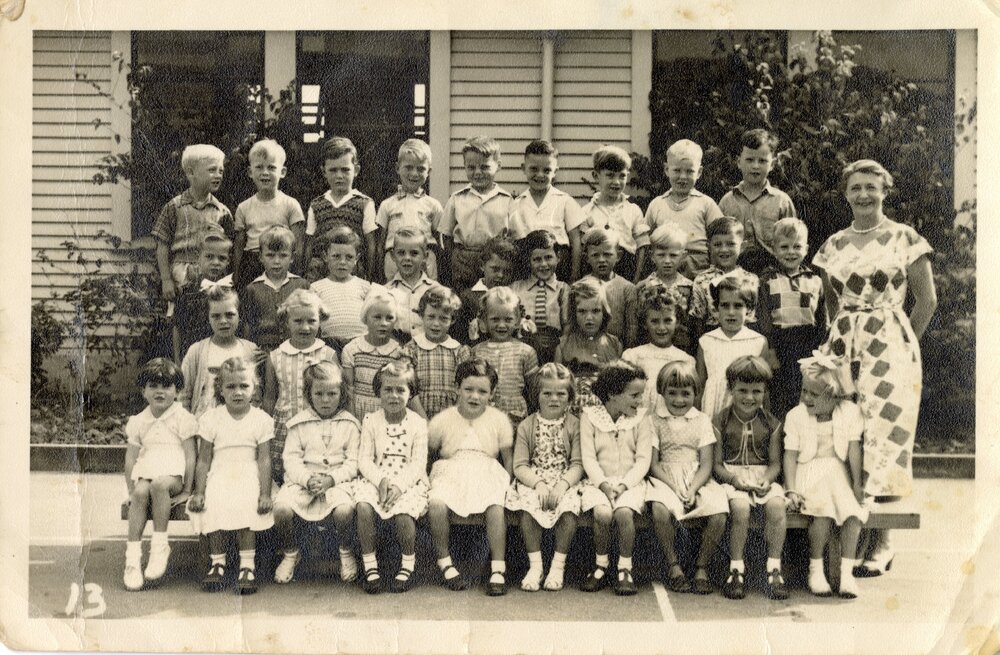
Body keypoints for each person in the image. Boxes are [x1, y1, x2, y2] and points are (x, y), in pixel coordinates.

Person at [812, 159, 937, 577]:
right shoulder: (833, 244)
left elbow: (927, 301)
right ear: (846, 194)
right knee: (845, 428)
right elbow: (830, 301)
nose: (863, 195)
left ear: (885, 190)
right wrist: (835, 342)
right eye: (855, 188)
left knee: (886, 437)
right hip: (844, 342)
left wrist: (902, 346)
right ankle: (847, 531)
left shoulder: (906, 238)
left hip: (890, 344)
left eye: (871, 187)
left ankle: (882, 542)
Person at [783, 352, 868, 599]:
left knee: (852, 514)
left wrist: (857, 483)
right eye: (804, 391)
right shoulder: (796, 415)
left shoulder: (850, 412)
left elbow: (854, 450)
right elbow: (790, 455)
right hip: (809, 471)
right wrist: (791, 489)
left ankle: (847, 574)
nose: (806, 398)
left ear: (833, 396)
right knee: (821, 513)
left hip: (838, 472)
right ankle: (816, 569)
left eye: (813, 393)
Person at [427, 359, 514, 595]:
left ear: (491, 394)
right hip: (452, 469)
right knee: (436, 504)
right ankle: (445, 563)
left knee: (495, 505)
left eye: (482, 391)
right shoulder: (443, 419)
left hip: (486, 468)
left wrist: (509, 483)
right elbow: (430, 452)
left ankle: (498, 568)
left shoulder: (498, 420)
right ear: (457, 388)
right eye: (468, 389)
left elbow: (508, 458)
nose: (474, 396)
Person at [187, 357, 274, 594]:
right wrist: (198, 491)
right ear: (220, 390)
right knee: (213, 502)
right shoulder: (211, 418)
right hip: (220, 471)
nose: (238, 392)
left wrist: (265, 493)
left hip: (249, 471)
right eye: (231, 387)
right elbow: (204, 458)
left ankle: (247, 565)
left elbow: (264, 459)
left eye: (244, 386)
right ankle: (218, 562)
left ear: (254, 388)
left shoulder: (261, 419)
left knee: (248, 500)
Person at [271, 361, 360, 586]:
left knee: (343, 510)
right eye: (319, 394)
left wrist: (332, 479)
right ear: (309, 395)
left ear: (342, 393)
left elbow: (353, 462)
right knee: (281, 509)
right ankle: (291, 553)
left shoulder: (350, 424)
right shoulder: (298, 424)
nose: (326, 399)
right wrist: (307, 479)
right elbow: (290, 460)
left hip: (337, 482)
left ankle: (345, 551)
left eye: (332, 393)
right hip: (304, 482)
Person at [645, 361, 728, 595]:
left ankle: (701, 567)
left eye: (686, 393)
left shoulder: (701, 420)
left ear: (696, 393)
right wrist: (672, 487)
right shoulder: (654, 420)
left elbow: (707, 463)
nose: (679, 400)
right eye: (672, 393)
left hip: (696, 478)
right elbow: (653, 464)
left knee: (719, 510)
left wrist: (692, 489)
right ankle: (674, 567)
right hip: (665, 476)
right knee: (660, 509)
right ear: (662, 392)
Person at [712, 355, 788, 601]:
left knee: (777, 506)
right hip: (731, 476)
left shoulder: (772, 423)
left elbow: (775, 463)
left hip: (761, 475)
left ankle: (774, 568)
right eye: (742, 390)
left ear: (765, 391)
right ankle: (736, 569)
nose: (749, 397)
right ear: (730, 389)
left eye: (756, 391)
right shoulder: (720, 420)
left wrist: (767, 479)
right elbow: (716, 465)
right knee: (741, 508)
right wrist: (734, 480)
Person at [122, 358, 198, 591]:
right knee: (142, 490)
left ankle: (160, 545)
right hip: (147, 472)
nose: (160, 391)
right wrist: (131, 491)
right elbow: (131, 459)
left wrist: (187, 489)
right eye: (153, 386)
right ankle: (133, 558)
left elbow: (190, 455)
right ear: (143, 391)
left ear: (176, 391)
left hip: (173, 476)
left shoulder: (182, 418)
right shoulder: (138, 421)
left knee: (157, 486)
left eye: (166, 386)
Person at [506, 363, 583, 591]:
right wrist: (538, 484)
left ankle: (558, 566)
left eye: (561, 394)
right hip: (534, 478)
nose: (554, 399)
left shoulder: (575, 425)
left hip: (565, 478)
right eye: (547, 393)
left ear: (569, 397)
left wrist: (562, 485)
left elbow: (578, 464)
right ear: (536, 395)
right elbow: (520, 465)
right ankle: (536, 566)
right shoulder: (527, 425)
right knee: (529, 509)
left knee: (568, 509)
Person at [355, 360, 429, 594]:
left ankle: (408, 564)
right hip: (377, 478)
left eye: (401, 390)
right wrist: (381, 481)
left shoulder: (418, 424)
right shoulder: (371, 420)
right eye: (388, 389)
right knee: (364, 507)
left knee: (404, 514)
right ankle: (370, 565)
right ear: (378, 392)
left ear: (410, 393)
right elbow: (364, 460)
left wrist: (399, 485)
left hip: (408, 481)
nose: (394, 396)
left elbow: (418, 463)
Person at [579, 359, 652, 596]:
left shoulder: (641, 419)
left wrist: (623, 485)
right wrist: (602, 484)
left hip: (629, 483)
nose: (640, 400)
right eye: (634, 395)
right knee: (602, 514)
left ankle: (624, 568)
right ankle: (601, 566)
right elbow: (588, 458)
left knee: (623, 513)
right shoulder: (589, 417)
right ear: (612, 394)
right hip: (597, 482)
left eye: (641, 395)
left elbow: (643, 460)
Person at [262, 289, 339, 485]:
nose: (305, 327)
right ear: (286, 321)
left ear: (320, 320)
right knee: (288, 473)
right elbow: (270, 397)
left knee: (317, 471)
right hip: (285, 425)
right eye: (298, 321)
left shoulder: (328, 355)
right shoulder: (275, 356)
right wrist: (265, 430)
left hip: (319, 425)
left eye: (311, 321)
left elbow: (338, 394)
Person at [756, 218, 825, 418]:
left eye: (797, 246)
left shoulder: (815, 280)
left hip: (808, 343)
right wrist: (769, 350)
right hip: (780, 343)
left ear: (806, 249)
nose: (791, 252)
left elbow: (822, 317)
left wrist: (820, 348)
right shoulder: (767, 280)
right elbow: (764, 317)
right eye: (784, 247)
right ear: (774, 249)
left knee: (805, 392)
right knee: (780, 393)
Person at [152, 144, 233, 306]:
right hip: (181, 274)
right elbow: (162, 245)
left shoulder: (221, 211)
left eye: (221, 171)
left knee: (210, 311)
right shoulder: (175, 207)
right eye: (212, 170)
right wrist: (166, 279)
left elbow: (230, 246)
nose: (218, 175)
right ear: (190, 173)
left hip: (212, 272)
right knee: (182, 315)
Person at [440, 135, 523, 293]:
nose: (477, 172)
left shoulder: (507, 201)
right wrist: (454, 258)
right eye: (471, 167)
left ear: (498, 166)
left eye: (484, 167)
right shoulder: (457, 198)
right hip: (463, 260)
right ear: (464, 166)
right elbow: (446, 235)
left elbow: (516, 237)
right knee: (464, 300)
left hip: (494, 262)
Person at [718, 129, 797, 276]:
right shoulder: (727, 201)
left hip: (773, 275)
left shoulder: (782, 201)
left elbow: (792, 243)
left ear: (772, 164)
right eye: (749, 160)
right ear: (738, 162)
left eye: (762, 161)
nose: (755, 166)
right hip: (734, 278)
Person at [643, 139, 723, 278]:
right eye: (677, 170)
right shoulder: (657, 205)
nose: (682, 177)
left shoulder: (706, 204)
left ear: (699, 172)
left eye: (689, 171)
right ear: (667, 170)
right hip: (666, 266)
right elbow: (645, 241)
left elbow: (720, 238)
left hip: (699, 270)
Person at [232, 139, 306, 288]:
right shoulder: (244, 207)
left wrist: (296, 273)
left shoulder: (290, 204)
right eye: (259, 167)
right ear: (250, 172)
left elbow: (298, 245)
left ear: (282, 172)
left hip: (280, 261)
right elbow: (239, 246)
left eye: (271, 167)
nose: (265, 172)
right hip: (252, 264)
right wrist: (235, 275)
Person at [509, 139, 586, 281]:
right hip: (527, 267)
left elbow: (575, 240)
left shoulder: (564, 201)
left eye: (546, 170)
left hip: (559, 265)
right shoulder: (516, 204)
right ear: (523, 168)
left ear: (555, 171)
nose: (540, 175)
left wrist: (574, 274)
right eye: (533, 169)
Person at [304, 136, 378, 281]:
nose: (339, 176)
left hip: (352, 273)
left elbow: (371, 245)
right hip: (320, 275)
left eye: (345, 170)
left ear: (356, 170)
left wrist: (369, 278)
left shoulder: (364, 203)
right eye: (333, 170)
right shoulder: (317, 205)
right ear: (324, 171)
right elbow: (309, 245)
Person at [695, 276, 769, 422]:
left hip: (745, 406)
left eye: (738, 306)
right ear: (716, 308)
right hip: (713, 406)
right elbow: (699, 386)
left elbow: (763, 387)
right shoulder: (706, 341)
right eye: (725, 305)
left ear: (748, 309)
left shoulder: (758, 341)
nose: (731, 312)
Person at [180, 286, 259, 418]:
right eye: (216, 316)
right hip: (205, 421)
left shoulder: (250, 349)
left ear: (239, 315)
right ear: (208, 318)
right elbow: (184, 395)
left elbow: (256, 395)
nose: (223, 321)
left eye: (229, 315)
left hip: (241, 423)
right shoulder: (197, 351)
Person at [375, 138, 443, 283]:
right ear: (397, 168)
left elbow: (440, 242)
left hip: (425, 259)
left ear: (429, 171)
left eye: (420, 169)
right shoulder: (387, 204)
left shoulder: (433, 205)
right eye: (409, 167)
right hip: (395, 259)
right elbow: (380, 244)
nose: (414, 173)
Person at [471, 286, 540, 426]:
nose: (501, 325)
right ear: (484, 321)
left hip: (515, 415)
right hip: (483, 414)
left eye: (508, 319)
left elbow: (535, 390)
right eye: (495, 319)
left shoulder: (526, 352)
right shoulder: (477, 351)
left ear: (517, 320)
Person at [580, 145, 649, 283]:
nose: (616, 182)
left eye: (622, 176)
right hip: (596, 271)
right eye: (610, 175)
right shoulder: (587, 211)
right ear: (596, 176)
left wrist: (636, 279)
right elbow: (582, 250)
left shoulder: (633, 210)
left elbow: (643, 247)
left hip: (626, 270)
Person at [622, 283, 695, 412]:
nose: (661, 328)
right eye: (654, 321)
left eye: (667, 321)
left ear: (677, 322)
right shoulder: (633, 356)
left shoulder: (685, 360)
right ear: (645, 323)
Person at [554, 278, 622, 415]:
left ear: (604, 312)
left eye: (596, 311)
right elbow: (556, 386)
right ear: (574, 313)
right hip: (573, 413)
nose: (589, 318)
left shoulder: (614, 344)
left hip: (604, 413)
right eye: (582, 311)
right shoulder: (563, 345)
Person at [403, 285, 471, 419]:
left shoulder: (459, 351)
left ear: (453, 320)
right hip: (418, 418)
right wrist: (424, 421)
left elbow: (465, 387)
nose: (436, 324)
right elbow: (407, 387)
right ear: (421, 315)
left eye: (443, 319)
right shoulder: (411, 349)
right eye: (431, 317)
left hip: (451, 419)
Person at [239, 225, 310, 352]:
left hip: (296, 350)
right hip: (264, 352)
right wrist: (251, 351)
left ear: (292, 257)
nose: (276, 261)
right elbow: (247, 326)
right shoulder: (252, 289)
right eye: (270, 255)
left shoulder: (301, 285)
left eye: (283, 256)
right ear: (260, 257)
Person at [688, 216, 760, 342]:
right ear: (708, 246)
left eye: (731, 244)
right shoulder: (702, 280)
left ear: (742, 246)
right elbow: (697, 321)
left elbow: (753, 318)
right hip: (712, 339)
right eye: (717, 244)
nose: (724, 249)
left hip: (744, 340)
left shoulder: (751, 279)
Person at [341, 288, 407, 422]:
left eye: (389, 318)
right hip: (358, 413)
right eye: (377, 317)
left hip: (386, 415)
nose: (383, 323)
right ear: (365, 318)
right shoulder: (352, 349)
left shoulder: (398, 353)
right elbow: (349, 390)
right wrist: (353, 423)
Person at [173, 229, 234, 364]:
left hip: (224, 355)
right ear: (198, 257)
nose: (215, 262)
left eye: (222, 258)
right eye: (209, 256)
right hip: (193, 356)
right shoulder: (187, 292)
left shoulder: (232, 292)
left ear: (228, 261)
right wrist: (178, 359)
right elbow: (177, 327)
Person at [510, 229, 569, 365]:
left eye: (548, 257)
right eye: (537, 259)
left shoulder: (563, 289)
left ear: (558, 257)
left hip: (554, 349)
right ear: (529, 261)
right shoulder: (516, 288)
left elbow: (567, 327)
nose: (543, 264)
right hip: (523, 347)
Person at [310, 227, 372, 352]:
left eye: (349, 257)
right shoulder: (316, 287)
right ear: (325, 256)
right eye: (336, 256)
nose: (342, 262)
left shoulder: (365, 286)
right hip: (330, 344)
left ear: (356, 259)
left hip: (360, 343)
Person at [636, 224, 694, 353]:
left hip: (682, 349)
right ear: (652, 256)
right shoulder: (644, 287)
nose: (667, 261)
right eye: (661, 255)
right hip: (650, 349)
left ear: (683, 256)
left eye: (673, 255)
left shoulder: (690, 287)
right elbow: (639, 324)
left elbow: (694, 326)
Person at [450, 235, 516, 345]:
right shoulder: (467, 297)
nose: (500, 275)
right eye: (495, 269)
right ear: (482, 265)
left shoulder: (513, 296)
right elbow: (460, 334)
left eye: (507, 271)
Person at [579, 229, 638, 347]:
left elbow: (631, 327)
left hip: (617, 351)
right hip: (586, 349)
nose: (601, 260)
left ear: (618, 256)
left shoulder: (627, 288)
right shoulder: (580, 287)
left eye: (607, 254)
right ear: (587, 258)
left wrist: (626, 353)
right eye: (595, 255)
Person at [384, 228, 435, 337]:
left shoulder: (436, 290)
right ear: (393, 256)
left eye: (414, 253)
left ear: (425, 256)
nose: (407, 258)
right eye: (401, 253)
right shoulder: (385, 292)